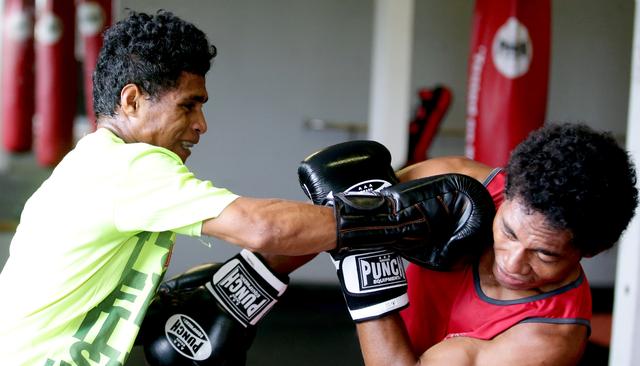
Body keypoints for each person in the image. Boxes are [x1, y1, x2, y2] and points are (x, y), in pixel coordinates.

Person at [0, 10, 491, 365]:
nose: (201, 125)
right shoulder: (129, 167)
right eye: (188, 106)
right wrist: (398, 216)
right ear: (132, 100)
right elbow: (262, 227)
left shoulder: (98, 167)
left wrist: (351, 218)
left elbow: (278, 237)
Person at [330, 123, 637, 365]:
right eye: (508, 232)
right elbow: (329, 217)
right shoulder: (469, 185)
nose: (511, 262)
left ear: (591, 250)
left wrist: (366, 265)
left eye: (544, 254)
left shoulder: (548, 336)